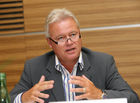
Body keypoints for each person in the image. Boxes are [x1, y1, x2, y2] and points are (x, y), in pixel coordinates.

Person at [10, 8, 139, 103]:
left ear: (80, 34)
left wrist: (100, 95)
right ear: (50, 42)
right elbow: (9, 99)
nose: (70, 42)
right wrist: (22, 98)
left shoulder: (103, 62)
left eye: (73, 34)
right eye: (61, 38)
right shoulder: (34, 67)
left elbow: (132, 98)